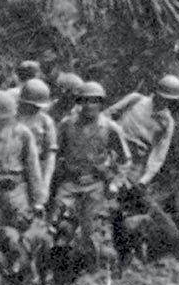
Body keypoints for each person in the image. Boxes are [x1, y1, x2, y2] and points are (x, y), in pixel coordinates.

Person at [50, 78, 129, 248]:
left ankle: (94, 270)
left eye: (94, 101)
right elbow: (54, 154)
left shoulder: (110, 128)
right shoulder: (66, 125)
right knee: (55, 226)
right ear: (79, 102)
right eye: (85, 100)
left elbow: (125, 159)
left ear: (100, 104)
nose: (89, 105)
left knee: (92, 233)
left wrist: (116, 182)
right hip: (69, 182)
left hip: (96, 184)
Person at [105, 74, 179, 190]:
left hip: (134, 164)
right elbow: (107, 115)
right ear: (156, 92)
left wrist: (144, 180)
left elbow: (159, 153)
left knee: (118, 195)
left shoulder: (167, 122)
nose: (164, 101)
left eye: (169, 100)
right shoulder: (135, 99)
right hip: (113, 150)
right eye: (162, 97)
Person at [0, 87, 45, 230]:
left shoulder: (22, 133)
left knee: (21, 232)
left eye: (4, 118)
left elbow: (33, 168)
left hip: (18, 192)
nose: (0, 122)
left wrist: (38, 200)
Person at [20, 77, 58, 199]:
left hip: (38, 171)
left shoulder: (46, 121)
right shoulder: (12, 117)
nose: (33, 109)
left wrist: (45, 184)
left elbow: (50, 156)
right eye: (30, 105)